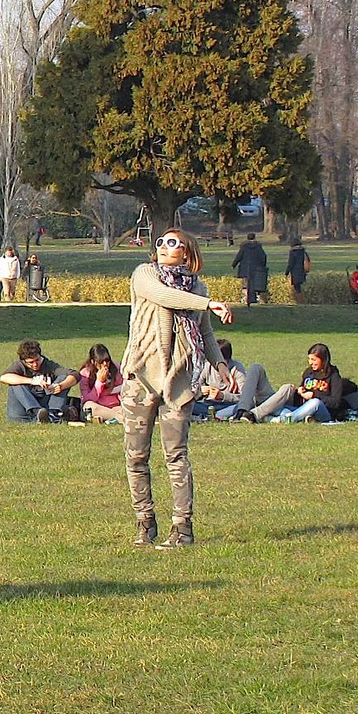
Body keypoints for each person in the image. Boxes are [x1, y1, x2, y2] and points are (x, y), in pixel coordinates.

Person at [121, 228, 230, 548]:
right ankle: (145, 521)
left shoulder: (197, 288)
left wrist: (221, 366)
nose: (165, 247)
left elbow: (206, 335)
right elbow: (163, 296)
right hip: (141, 378)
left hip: (179, 382)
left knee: (176, 456)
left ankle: (182, 527)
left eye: (174, 243)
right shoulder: (144, 274)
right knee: (136, 456)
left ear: (188, 253)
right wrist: (208, 303)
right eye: (162, 242)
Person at [254, 343, 345, 423]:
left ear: (323, 360)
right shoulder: (308, 372)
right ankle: (291, 417)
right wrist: (300, 391)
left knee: (315, 402)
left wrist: (314, 395)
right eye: (309, 359)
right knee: (279, 405)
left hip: (323, 411)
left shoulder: (334, 376)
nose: (310, 363)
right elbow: (303, 389)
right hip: (301, 408)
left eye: (314, 360)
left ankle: (285, 419)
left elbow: (335, 402)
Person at [0, 338, 81, 422]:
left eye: (37, 360)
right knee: (16, 383)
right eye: (31, 362)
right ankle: (36, 411)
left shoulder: (48, 364)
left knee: (63, 378)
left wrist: (61, 386)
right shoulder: (19, 366)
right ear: (23, 361)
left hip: (44, 406)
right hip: (21, 413)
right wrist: (32, 381)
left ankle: (53, 413)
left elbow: (75, 374)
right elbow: (4, 377)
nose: (35, 364)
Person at [194, 339, 277, 421]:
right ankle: (213, 416)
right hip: (208, 404)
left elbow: (244, 398)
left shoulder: (237, 369)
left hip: (228, 405)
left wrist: (222, 396)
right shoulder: (207, 366)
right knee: (188, 405)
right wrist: (201, 391)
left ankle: (212, 416)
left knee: (240, 408)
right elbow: (193, 393)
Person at [77, 344, 123, 423]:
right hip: (97, 406)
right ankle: (119, 417)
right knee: (89, 407)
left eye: (107, 361)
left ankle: (113, 417)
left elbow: (122, 389)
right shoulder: (85, 373)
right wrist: (99, 382)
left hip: (114, 406)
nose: (105, 364)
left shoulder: (116, 368)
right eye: (101, 362)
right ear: (93, 361)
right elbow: (87, 399)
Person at [231, 233, 269, 305]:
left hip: (245, 268)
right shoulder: (258, 246)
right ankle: (253, 298)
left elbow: (239, 256)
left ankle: (247, 298)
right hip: (256, 268)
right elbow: (263, 256)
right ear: (254, 238)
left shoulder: (244, 246)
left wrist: (234, 264)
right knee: (254, 283)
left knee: (246, 284)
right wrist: (263, 265)